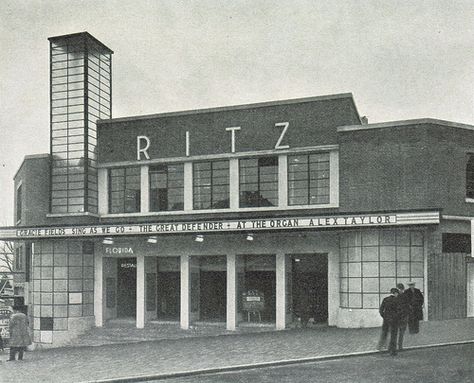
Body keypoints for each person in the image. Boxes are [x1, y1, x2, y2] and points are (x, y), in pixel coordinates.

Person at [377, 288, 400, 356]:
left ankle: (380, 348)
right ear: (395, 293)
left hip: (386, 320)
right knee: (393, 336)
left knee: (384, 333)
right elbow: (399, 311)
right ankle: (392, 351)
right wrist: (396, 317)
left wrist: (384, 316)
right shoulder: (397, 300)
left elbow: (381, 310)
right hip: (394, 321)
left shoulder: (385, 299)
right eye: (397, 293)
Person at [396, 283, 410, 350]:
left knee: (401, 331)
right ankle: (399, 346)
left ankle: (399, 346)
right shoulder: (405, 296)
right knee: (400, 331)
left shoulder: (399, 296)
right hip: (401, 316)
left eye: (400, 289)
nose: (400, 290)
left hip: (401, 316)